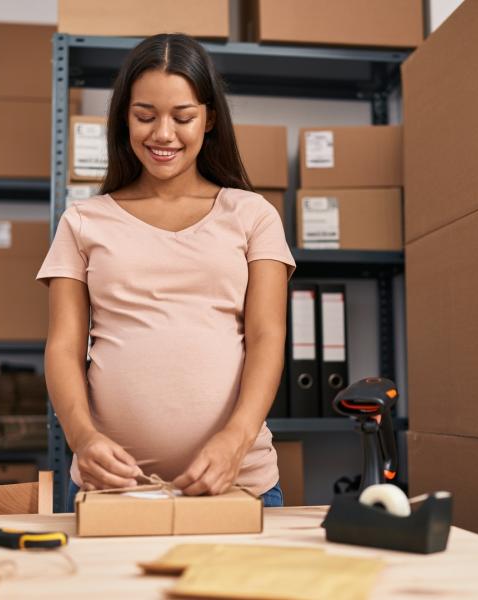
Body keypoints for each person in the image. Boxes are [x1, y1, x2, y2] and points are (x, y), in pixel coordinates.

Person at [36, 33, 296, 509]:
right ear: (124, 119)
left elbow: (266, 337)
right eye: (144, 116)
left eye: (183, 117)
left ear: (210, 118)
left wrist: (235, 439)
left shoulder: (253, 215)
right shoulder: (83, 220)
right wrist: (82, 437)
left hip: (239, 482)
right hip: (113, 490)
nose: (162, 134)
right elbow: (64, 346)